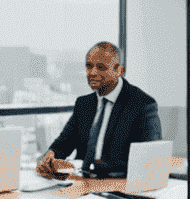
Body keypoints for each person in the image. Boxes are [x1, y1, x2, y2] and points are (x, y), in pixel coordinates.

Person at [34, 41, 160, 180]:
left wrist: (84, 166)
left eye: (101, 67)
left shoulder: (142, 104)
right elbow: (62, 144)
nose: (92, 73)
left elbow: (149, 162)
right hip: (82, 185)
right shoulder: (84, 104)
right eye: (89, 66)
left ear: (119, 71)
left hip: (118, 187)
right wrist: (49, 158)